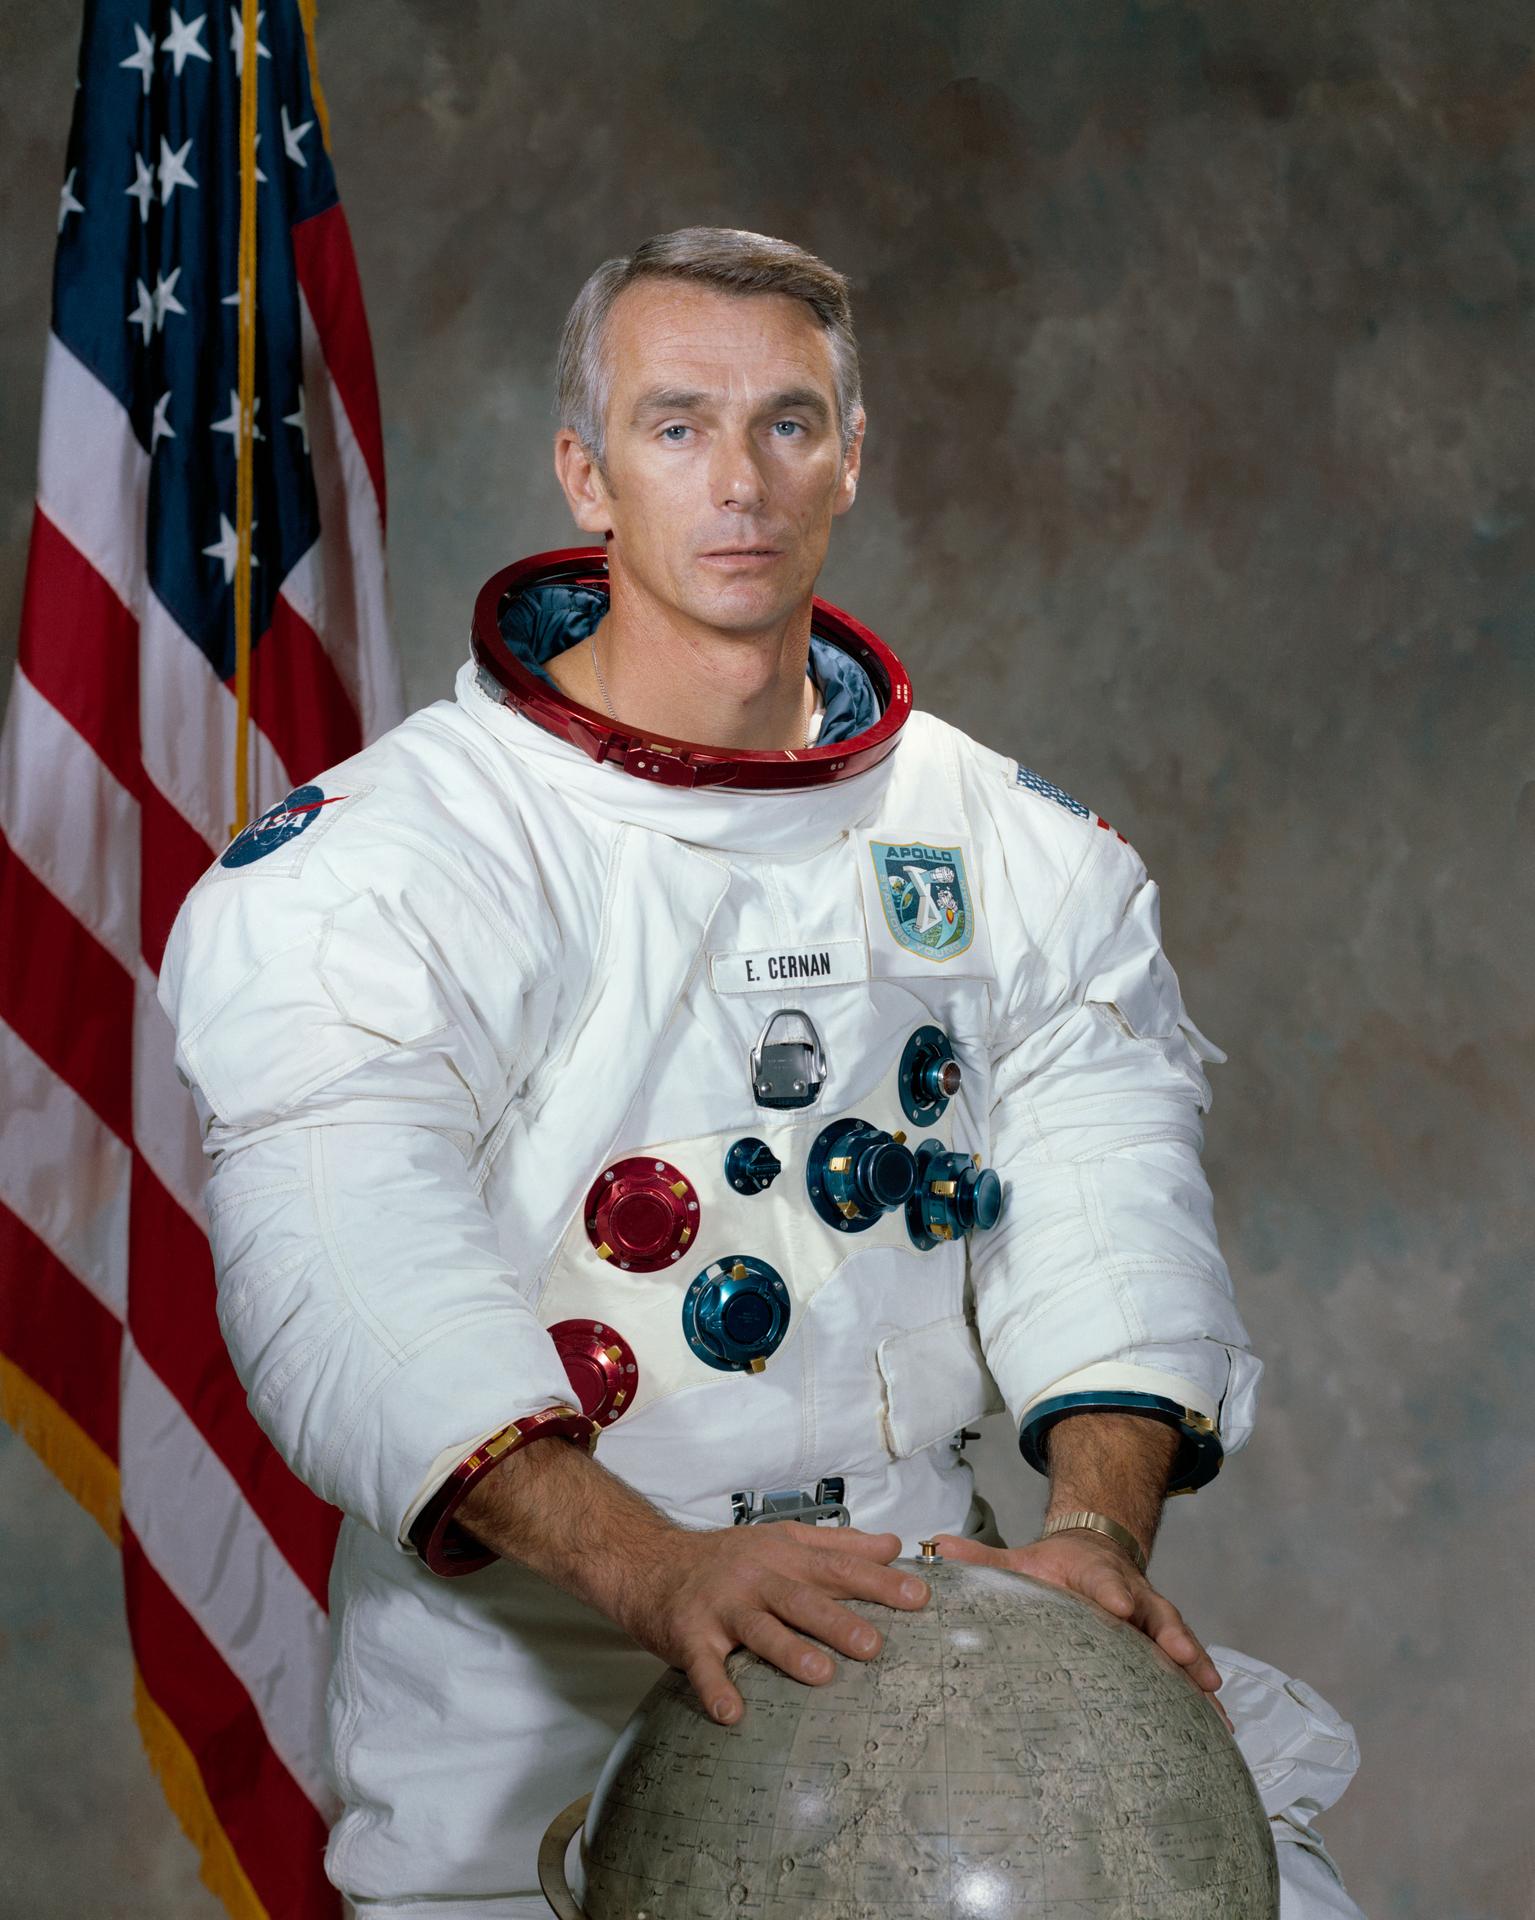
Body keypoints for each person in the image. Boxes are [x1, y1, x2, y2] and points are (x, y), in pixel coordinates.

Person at [160, 227, 1363, 1918]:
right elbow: (350, 1267)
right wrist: (652, 1570)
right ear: (586, 470)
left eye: (790, 423)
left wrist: (1092, 1535)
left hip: (921, 1663)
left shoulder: (1015, 854)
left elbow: (1108, 1205)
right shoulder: (386, 866)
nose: (740, 479)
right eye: (675, 425)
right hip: (533, 1723)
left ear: (851, 459)